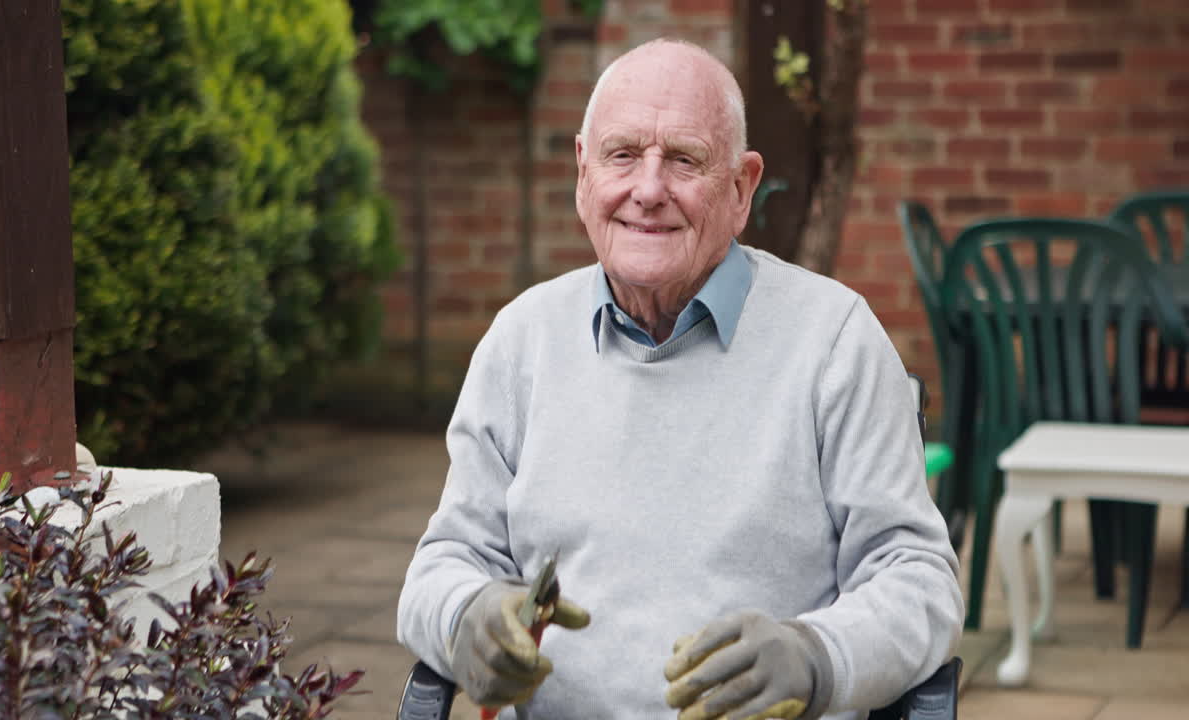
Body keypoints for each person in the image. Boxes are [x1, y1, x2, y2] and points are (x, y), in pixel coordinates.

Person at [396, 38, 963, 720]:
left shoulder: (833, 341)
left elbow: (920, 580)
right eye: (623, 155)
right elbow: (441, 565)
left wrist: (816, 657)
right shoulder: (523, 341)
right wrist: (468, 616)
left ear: (741, 187)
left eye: (685, 159)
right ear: (584, 173)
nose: (649, 190)